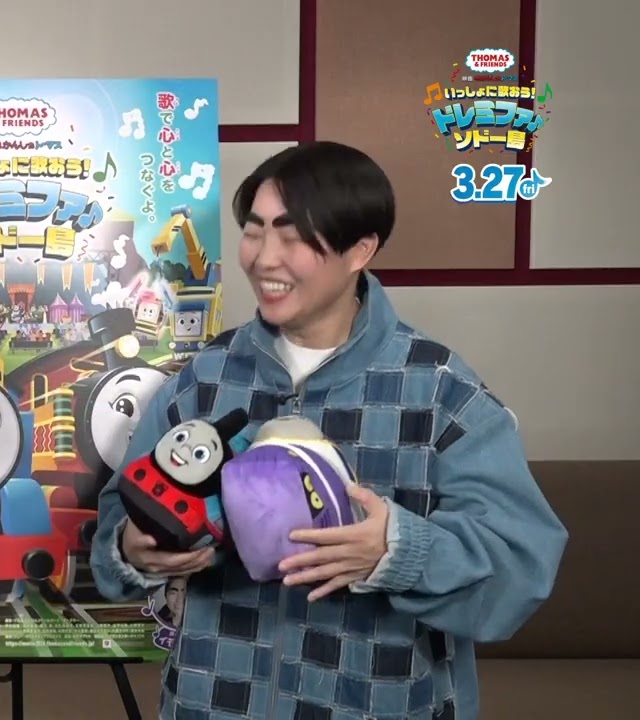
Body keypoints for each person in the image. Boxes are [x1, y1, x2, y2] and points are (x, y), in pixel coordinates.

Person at [91, 141, 567, 720]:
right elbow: (115, 525)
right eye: (254, 231)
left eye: (293, 237)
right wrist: (133, 546)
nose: (264, 258)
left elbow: (520, 568)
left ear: (360, 249)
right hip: (211, 702)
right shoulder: (204, 378)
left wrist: (397, 551)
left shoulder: (440, 390)